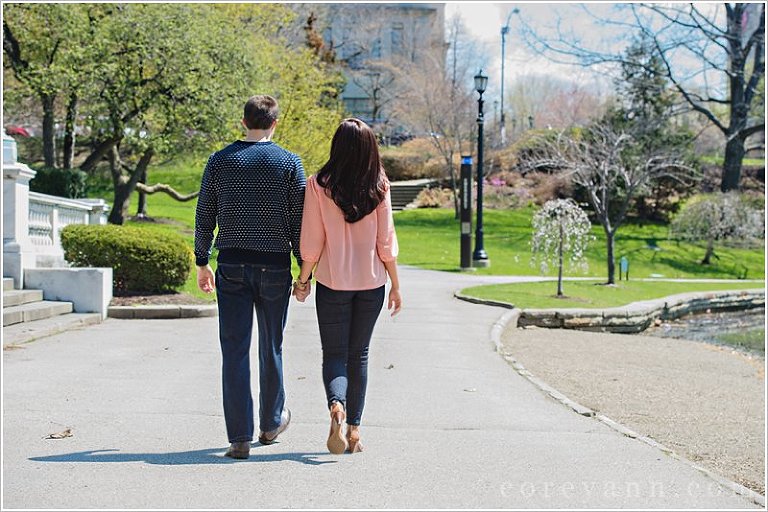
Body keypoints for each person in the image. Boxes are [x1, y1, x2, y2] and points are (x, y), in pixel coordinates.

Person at [195, 95, 305, 459]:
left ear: (243, 122)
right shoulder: (289, 163)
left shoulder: (220, 161)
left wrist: (201, 261)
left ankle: (239, 437)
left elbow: (204, 215)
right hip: (274, 266)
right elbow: (299, 221)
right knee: (271, 345)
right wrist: (304, 268)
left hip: (231, 266)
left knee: (234, 351)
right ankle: (271, 423)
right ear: (275, 123)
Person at [293, 118, 402, 454]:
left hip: (332, 281)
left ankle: (336, 406)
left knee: (335, 355)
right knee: (360, 355)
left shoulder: (318, 184)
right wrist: (396, 285)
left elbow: (312, 239)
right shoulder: (380, 185)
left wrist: (303, 278)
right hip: (371, 283)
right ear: (371, 148)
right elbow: (386, 243)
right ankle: (354, 430)